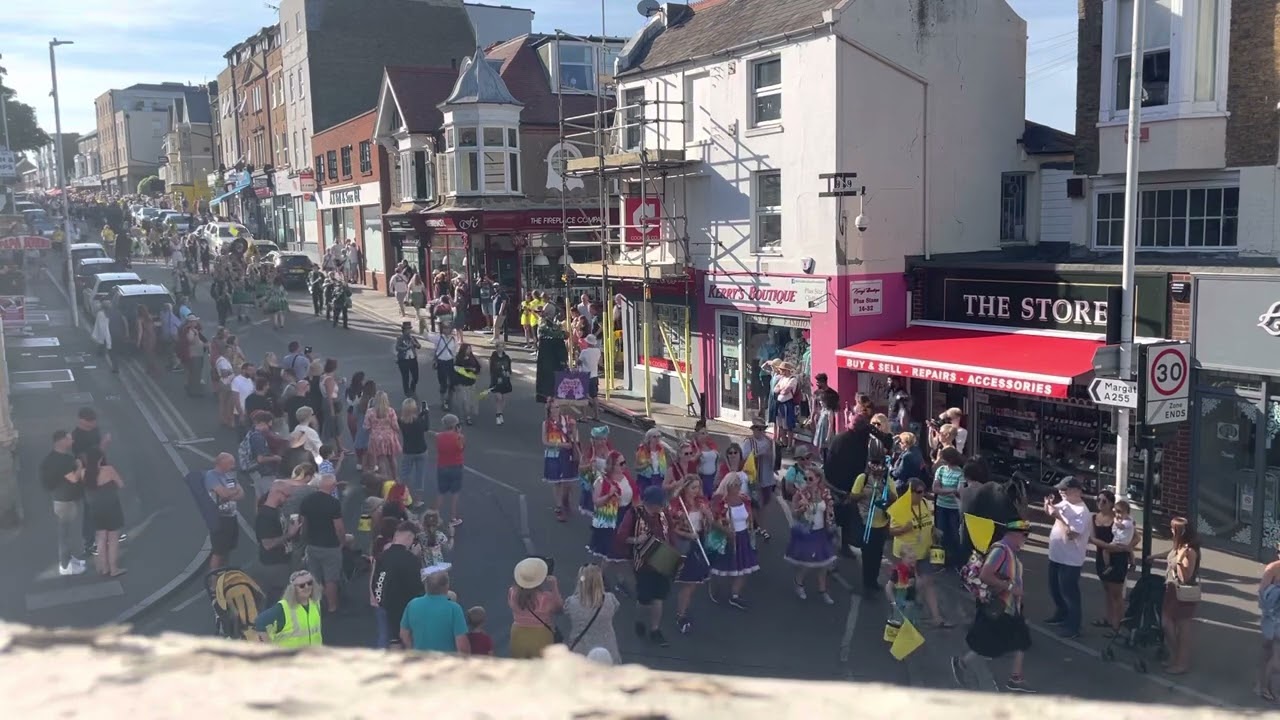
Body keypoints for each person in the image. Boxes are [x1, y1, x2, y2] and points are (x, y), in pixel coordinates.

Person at [951, 518, 1034, 693]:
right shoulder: (1001, 551)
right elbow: (985, 575)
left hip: (1010, 606)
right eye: (1024, 535)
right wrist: (1011, 588)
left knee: (1020, 640)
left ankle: (1015, 678)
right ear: (1013, 534)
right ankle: (962, 663)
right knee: (990, 644)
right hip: (1001, 606)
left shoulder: (1010, 551)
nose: (1025, 539)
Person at [1044, 476, 1091, 639]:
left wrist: (1058, 516)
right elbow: (1052, 512)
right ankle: (1061, 614)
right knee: (1055, 588)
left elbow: (1072, 534)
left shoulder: (1082, 512)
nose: (1060, 492)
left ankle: (1074, 626)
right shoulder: (1065, 504)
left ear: (1076, 491)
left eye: (1064, 489)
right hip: (1056, 555)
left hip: (1071, 559)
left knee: (1069, 592)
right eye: (1059, 489)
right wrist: (1048, 506)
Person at [371, 521, 424, 649]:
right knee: (405, 638)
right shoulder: (411, 560)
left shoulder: (382, 557)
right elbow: (417, 588)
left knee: (388, 638)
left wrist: (379, 600)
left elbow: (376, 581)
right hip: (404, 608)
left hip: (385, 605)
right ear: (410, 537)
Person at [300, 474, 346, 613]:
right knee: (330, 578)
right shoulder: (333, 503)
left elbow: (303, 524)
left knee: (314, 577)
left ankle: (315, 605)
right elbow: (339, 527)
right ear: (332, 487)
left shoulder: (306, 501)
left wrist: (305, 540)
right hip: (330, 545)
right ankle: (332, 606)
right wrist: (342, 542)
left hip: (312, 544)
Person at [42, 430, 86, 576]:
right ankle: (65, 566)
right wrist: (79, 465)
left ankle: (68, 559)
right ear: (61, 441)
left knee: (66, 532)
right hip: (65, 502)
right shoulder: (64, 460)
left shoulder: (50, 458)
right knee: (64, 535)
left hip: (60, 498)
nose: (72, 441)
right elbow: (74, 478)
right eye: (69, 439)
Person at [1162, 516, 1201, 675]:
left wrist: (1179, 561)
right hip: (1172, 588)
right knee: (1168, 622)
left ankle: (1181, 662)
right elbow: (1170, 554)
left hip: (1183, 592)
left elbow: (1186, 576)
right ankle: (1176, 656)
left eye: (1173, 529)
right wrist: (1154, 557)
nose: (1171, 531)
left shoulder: (1189, 551)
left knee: (1181, 627)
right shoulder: (1179, 546)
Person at [400, 570, 470, 653]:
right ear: (446, 586)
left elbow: (404, 634)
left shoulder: (412, 605)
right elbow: (462, 644)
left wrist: (412, 650)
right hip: (446, 663)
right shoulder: (454, 609)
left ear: (426, 586)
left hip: (419, 662)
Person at [508, 556, 564, 659]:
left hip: (518, 633)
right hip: (541, 635)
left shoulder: (512, 592)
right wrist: (554, 586)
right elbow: (559, 608)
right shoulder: (545, 598)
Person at [255, 481, 302, 602]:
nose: (287, 500)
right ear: (277, 493)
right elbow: (268, 544)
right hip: (274, 565)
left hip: (282, 561)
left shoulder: (276, 510)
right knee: (279, 599)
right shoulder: (265, 516)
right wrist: (289, 534)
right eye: (286, 496)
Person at [82, 448, 126, 577]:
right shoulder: (109, 470)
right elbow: (121, 484)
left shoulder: (83, 473)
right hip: (112, 508)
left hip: (95, 510)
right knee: (113, 539)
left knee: (101, 538)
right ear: (101, 459)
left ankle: (104, 568)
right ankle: (114, 569)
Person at [564, 564, 620, 662]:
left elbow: (566, 611)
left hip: (581, 649)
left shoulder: (571, 602)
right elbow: (616, 608)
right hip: (607, 647)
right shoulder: (610, 599)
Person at [254, 570, 323, 647]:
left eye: (309, 583)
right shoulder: (283, 608)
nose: (307, 587)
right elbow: (260, 622)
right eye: (301, 585)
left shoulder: (315, 603)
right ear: (293, 589)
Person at [205, 453, 244, 570]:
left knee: (227, 549)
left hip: (231, 516)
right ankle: (213, 583)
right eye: (231, 463)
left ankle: (224, 576)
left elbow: (241, 495)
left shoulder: (228, 476)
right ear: (222, 463)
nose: (233, 466)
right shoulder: (211, 476)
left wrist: (231, 494)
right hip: (219, 519)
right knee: (218, 551)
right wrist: (233, 491)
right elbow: (224, 494)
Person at [1257, 544, 1280, 703]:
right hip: (1272, 618)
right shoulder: (1272, 569)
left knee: (1271, 656)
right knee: (1271, 655)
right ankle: (1264, 687)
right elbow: (1262, 596)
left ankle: (1264, 686)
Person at [435, 414, 465, 525]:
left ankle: (435, 516)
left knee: (441, 492)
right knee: (455, 493)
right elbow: (461, 448)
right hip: (456, 467)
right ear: (455, 425)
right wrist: (459, 433)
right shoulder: (459, 437)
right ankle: (453, 518)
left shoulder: (439, 436)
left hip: (442, 466)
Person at [398, 398, 431, 499]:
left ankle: (401, 497)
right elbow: (426, 427)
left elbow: (410, 420)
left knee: (404, 475)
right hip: (421, 451)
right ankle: (417, 500)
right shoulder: (419, 421)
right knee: (419, 476)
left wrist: (421, 415)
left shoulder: (401, 421)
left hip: (408, 451)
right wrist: (426, 413)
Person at [577, 335, 602, 420]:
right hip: (594, 376)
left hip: (585, 375)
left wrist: (577, 355)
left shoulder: (584, 352)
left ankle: (584, 416)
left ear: (587, 342)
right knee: (595, 396)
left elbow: (578, 362)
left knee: (583, 396)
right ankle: (597, 415)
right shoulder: (598, 351)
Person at [394, 322, 422, 398]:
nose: (408, 331)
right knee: (405, 377)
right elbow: (397, 348)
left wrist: (415, 344)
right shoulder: (400, 338)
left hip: (412, 359)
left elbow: (419, 346)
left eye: (409, 329)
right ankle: (407, 392)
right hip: (404, 360)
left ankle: (412, 388)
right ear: (403, 330)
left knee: (415, 377)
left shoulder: (412, 338)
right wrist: (406, 348)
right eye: (407, 329)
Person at [489, 340, 513, 426]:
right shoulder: (493, 357)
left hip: (505, 381)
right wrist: (497, 377)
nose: (501, 348)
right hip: (497, 381)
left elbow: (509, 369)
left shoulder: (507, 358)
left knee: (503, 398)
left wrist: (508, 373)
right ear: (496, 347)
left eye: (502, 346)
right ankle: (498, 414)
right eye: (499, 346)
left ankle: (500, 413)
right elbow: (492, 370)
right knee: (498, 398)